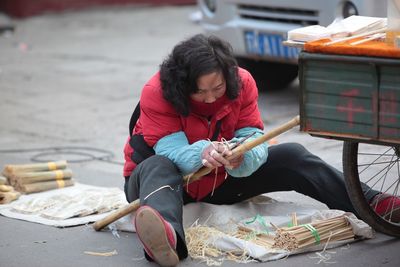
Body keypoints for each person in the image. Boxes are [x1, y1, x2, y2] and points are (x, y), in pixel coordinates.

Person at [123, 34, 400, 267]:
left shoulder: (242, 82)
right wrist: (203, 153)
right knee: (159, 166)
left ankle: (375, 205)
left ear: (227, 78)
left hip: (221, 179)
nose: (210, 97)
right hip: (162, 186)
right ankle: (167, 238)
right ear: (181, 86)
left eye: (217, 87)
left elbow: (253, 134)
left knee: (292, 154)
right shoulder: (157, 91)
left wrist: (243, 155)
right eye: (199, 92)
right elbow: (169, 149)